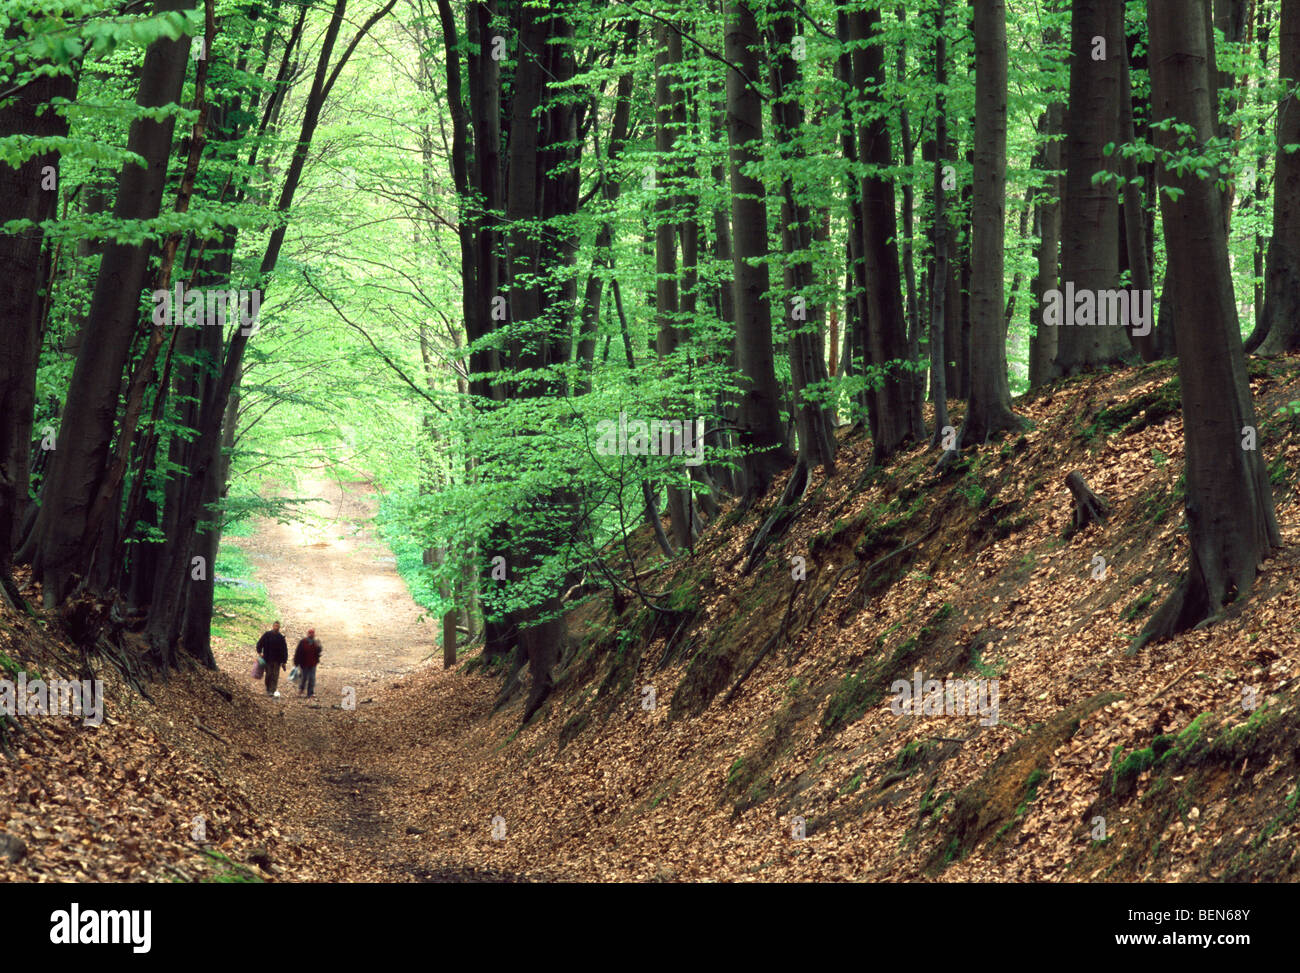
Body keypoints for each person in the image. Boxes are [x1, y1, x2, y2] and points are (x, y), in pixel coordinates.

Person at [256, 621, 289, 697]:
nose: (276, 627)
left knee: (275, 675)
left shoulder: (281, 637)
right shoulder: (267, 635)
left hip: (277, 660)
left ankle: (272, 690)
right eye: (275, 626)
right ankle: (268, 688)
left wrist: (284, 661)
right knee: (268, 674)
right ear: (273, 626)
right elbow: (259, 643)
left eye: (278, 626)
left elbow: (284, 650)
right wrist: (260, 652)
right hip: (268, 659)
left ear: (279, 628)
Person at [293, 628, 323, 699]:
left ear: (314, 634)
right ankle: (301, 689)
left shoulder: (316, 642)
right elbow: (298, 652)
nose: (311, 635)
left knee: (312, 678)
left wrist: (318, 646)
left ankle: (310, 693)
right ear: (308, 634)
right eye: (310, 633)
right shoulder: (303, 642)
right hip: (304, 663)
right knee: (304, 677)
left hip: (313, 663)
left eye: (312, 633)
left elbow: (319, 651)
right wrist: (296, 662)